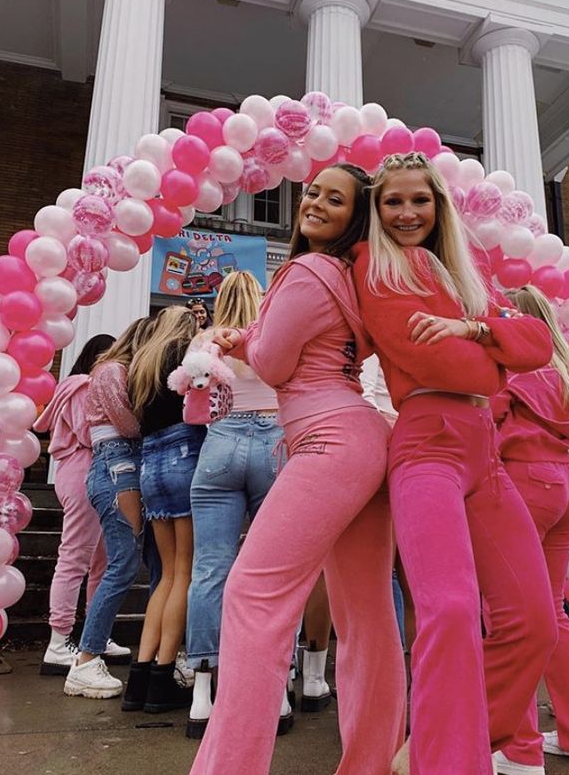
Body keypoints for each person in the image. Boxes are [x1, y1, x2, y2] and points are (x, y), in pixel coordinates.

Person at [191, 163, 406, 775]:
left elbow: (278, 364)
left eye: (334, 200)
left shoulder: (307, 271)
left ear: (353, 218)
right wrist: (254, 337)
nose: (314, 203)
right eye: (313, 192)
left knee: (253, 595)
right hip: (362, 435)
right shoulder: (350, 278)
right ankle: (371, 762)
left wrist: (245, 342)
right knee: (364, 614)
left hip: (328, 439)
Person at [351, 152, 557, 775]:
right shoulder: (375, 266)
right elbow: (453, 367)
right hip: (426, 445)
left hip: (484, 455)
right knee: (450, 609)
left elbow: (540, 346)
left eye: (420, 199)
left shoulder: (464, 274)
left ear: (438, 204)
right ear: (377, 211)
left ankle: (441, 742)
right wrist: (488, 339)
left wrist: (470, 328)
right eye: (393, 201)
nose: (407, 212)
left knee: (535, 621)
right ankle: (443, 761)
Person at [491, 285, 569, 773]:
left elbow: (489, 421)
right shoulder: (565, 370)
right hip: (564, 485)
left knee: (509, 617)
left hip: (522, 482)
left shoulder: (515, 366)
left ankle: (519, 749)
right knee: (553, 615)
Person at [185, 270, 286, 738]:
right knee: (278, 572)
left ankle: (202, 695)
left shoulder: (206, 339)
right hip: (273, 441)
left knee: (209, 570)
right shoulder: (271, 335)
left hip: (220, 443)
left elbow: (191, 388)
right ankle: (278, 688)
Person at [122, 306, 206, 714]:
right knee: (185, 573)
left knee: (166, 576)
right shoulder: (185, 351)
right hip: (184, 453)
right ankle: (163, 677)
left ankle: (139, 679)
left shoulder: (142, 362)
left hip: (150, 463)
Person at [63, 317, 153, 699]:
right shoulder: (112, 370)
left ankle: (90, 652)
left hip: (117, 466)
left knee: (122, 563)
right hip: (117, 466)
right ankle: (86, 659)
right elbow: (127, 424)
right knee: (122, 564)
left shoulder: (108, 370)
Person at [35, 333, 116, 676]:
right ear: (96, 358)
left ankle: (95, 635)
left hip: (90, 472)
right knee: (75, 558)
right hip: (84, 469)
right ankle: (59, 640)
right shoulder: (82, 386)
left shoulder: (80, 385)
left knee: (101, 560)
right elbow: (89, 432)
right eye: (111, 357)